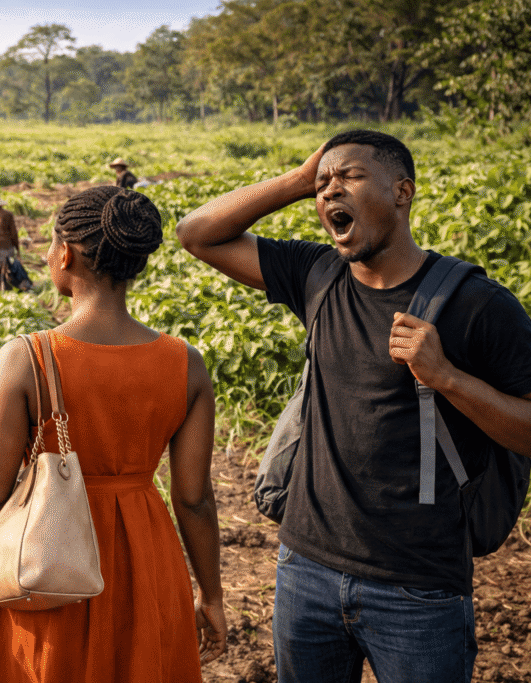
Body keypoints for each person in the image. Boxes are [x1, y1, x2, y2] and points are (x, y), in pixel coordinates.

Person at [176, 129, 531, 683]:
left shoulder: (480, 306)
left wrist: (447, 378)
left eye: (350, 177)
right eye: (323, 184)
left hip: (420, 589)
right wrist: (298, 178)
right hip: (305, 571)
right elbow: (196, 234)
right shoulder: (316, 275)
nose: (330, 192)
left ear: (402, 192)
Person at [0, 185, 227, 682]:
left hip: (48, 562)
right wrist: (210, 595)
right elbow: (194, 499)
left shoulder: (27, 358)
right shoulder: (185, 364)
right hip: (145, 563)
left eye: (50, 245)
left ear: (65, 254)